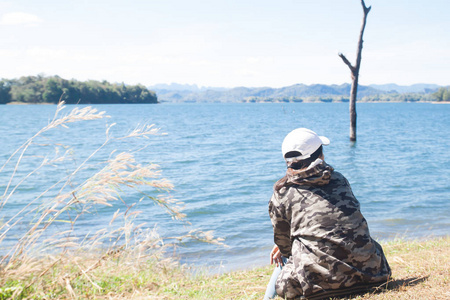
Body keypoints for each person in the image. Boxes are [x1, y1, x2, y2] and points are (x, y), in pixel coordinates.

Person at [264, 128, 391, 300]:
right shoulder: (339, 179)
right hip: (372, 275)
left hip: (317, 288)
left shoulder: (282, 192)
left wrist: (286, 245)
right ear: (320, 156)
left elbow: (285, 247)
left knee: (286, 263)